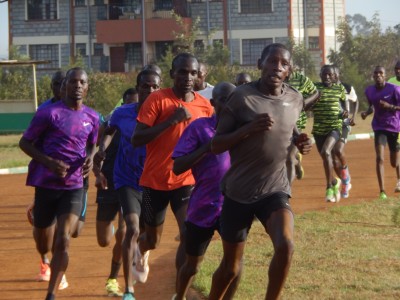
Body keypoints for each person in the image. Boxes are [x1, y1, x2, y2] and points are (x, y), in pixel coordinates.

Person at [208, 43, 312, 300]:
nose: (277, 67)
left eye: (284, 64)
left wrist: (301, 140)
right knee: (231, 269)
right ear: (260, 64)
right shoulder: (242, 97)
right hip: (239, 192)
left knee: (286, 245)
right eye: (272, 61)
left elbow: (288, 128)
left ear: (289, 71)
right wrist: (248, 129)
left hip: (274, 188)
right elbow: (216, 143)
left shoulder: (295, 98)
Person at [131, 53, 213, 285]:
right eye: (183, 72)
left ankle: (179, 287)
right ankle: (141, 249)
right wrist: (172, 120)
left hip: (186, 181)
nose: (188, 77)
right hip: (154, 181)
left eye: (193, 73)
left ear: (199, 76)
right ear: (172, 74)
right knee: (153, 240)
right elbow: (137, 138)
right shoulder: (157, 100)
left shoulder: (205, 106)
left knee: (188, 234)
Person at [19, 67, 99, 300]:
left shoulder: (92, 117)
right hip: (45, 184)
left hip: (73, 186)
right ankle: (44, 252)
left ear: (87, 87)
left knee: (64, 239)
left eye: (81, 82)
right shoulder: (48, 113)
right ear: (64, 86)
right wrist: (49, 162)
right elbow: (25, 143)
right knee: (44, 243)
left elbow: (92, 145)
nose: (77, 86)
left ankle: (51, 293)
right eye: (72, 82)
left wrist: (91, 159)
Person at [95, 70, 161, 300]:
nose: (150, 91)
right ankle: (128, 290)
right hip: (125, 179)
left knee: (149, 236)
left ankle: (142, 253)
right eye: (145, 86)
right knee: (130, 230)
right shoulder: (122, 113)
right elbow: (109, 131)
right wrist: (102, 148)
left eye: (155, 87)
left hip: (152, 182)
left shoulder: (165, 113)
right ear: (138, 86)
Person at [171, 82, 239, 300]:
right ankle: (179, 296)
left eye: (233, 100)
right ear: (213, 103)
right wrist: (207, 147)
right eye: (224, 100)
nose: (229, 105)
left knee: (234, 266)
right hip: (203, 206)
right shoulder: (199, 128)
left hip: (234, 207)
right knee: (192, 266)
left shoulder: (243, 130)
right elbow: (178, 165)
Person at [94, 88, 139, 297]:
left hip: (128, 183)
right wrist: (97, 172)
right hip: (108, 182)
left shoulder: (142, 126)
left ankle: (113, 279)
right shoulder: (114, 121)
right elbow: (98, 150)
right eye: (127, 103)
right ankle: (111, 230)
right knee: (103, 240)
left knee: (125, 233)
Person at [361, 66, 400, 200]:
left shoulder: (394, 89)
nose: (378, 75)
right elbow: (372, 105)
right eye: (376, 73)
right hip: (379, 127)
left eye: (381, 73)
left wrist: (390, 107)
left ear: (385, 75)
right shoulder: (369, 91)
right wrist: (366, 112)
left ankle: (398, 175)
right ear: (373, 76)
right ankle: (382, 191)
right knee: (380, 158)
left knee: (394, 163)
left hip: (394, 127)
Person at [312, 65, 348, 203]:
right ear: (320, 75)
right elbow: (307, 104)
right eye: (324, 74)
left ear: (334, 76)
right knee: (327, 158)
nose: (327, 77)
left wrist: (346, 113)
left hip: (334, 127)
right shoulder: (314, 88)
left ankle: (328, 188)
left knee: (326, 151)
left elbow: (344, 102)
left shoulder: (339, 88)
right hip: (318, 129)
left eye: (330, 74)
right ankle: (334, 182)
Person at [286, 70, 320, 183]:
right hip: (280, 126)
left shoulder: (301, 79)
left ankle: (286, 195)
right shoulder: (275, 80)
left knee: (289, 158)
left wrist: (304, 103)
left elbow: (316, 92)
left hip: (297, 125)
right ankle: (297, 162)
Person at [332, 66, 359, 198]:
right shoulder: (326, 89)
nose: (332, 76)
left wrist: (353, 116)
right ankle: (345, 181)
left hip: (344, 123)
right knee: (333, 160)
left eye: (334, 74)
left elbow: (355, 100)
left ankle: (346, 178)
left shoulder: (347, 87)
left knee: (338, 150)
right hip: (330, 125)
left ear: (338, 74)